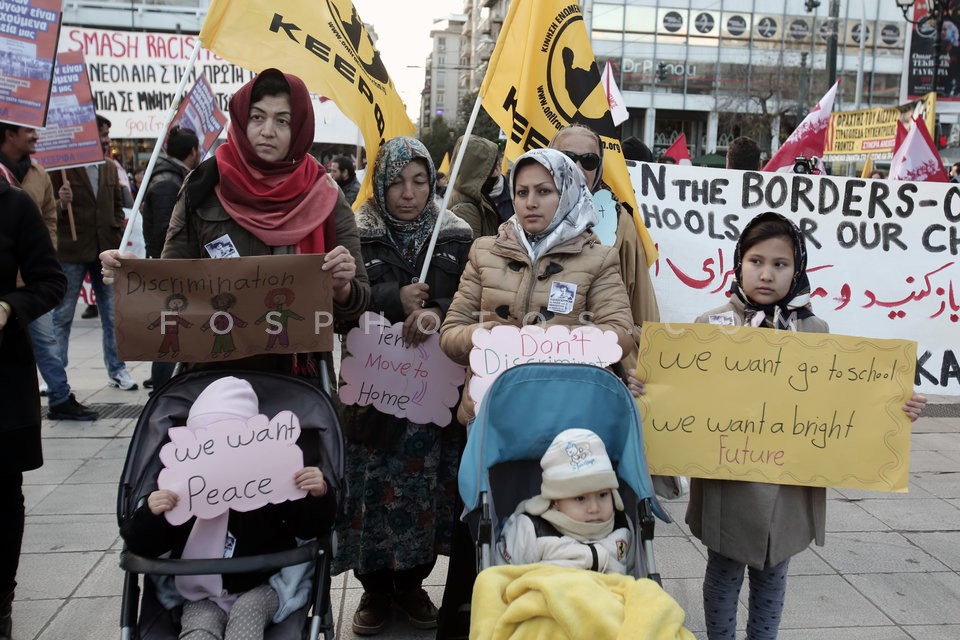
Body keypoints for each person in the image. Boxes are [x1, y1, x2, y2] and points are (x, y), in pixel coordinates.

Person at [630, 211, 927, 640]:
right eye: (756, 261)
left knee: (774, 573)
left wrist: (898, 405)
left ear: (797, 269)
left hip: (789, 484)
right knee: (723, 571)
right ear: (739, 263)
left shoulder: (815, 331)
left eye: (780, 264)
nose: (766, 274)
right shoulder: (708, 329)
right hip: (728, 480)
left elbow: (845, 398)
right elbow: (678, 392)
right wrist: (647, 386)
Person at [100, 68, 370, 380]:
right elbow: (173, 279)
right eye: (257, 117)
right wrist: (138, 274)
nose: (268, 130)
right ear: (242, 119)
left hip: (298, 381)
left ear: (298, 128)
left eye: (282, 120)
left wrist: (342, 287)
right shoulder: (204, 183)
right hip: (213, 375)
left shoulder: (325, 195)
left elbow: (358, 305)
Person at [333, 136, 472, 636]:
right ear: (380, 183)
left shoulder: (456, 235)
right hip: (373, 394)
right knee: (369, 490)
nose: (408, 193)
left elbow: (468, 300)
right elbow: (338, 306)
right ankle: (374, 590)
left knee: (424, 496)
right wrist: (393, 298)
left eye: (419, 181)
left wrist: (436, 312)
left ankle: (413, 585)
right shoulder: (356, 230)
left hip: (430, 397)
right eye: (396, 182)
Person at [119, 376, 336, 640]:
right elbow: (144, 546)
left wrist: (316, 495)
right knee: (199, 629)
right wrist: (152, 515)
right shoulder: (183, 492)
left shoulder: (268, 486)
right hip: (200, 592)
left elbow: (310, 526)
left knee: (247, 611)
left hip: (263, 585)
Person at [440, 147, 635, 428]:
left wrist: (550, 341)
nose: (530, 202)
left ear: (567, 193)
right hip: (491, 413)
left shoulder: (599, 258)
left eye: (543, 191)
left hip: (568, 418)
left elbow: (621, 335)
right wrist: (485, 335)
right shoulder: (484, 252)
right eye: (522, 192)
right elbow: (450, 336)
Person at [0, 175, 67, 640]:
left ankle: (0, 601)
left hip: (2, 378)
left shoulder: (14, 205)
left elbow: (51, 281)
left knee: (2, 498)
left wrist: (9, 307)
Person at [0, 123, 98, 420]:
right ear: (9, 135)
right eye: (28, 131)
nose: (35, 136)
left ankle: (59, 395)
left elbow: (48, 219)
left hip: (27, 288)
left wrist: (42, 254)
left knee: (46, 341)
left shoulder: (37, 176)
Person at [548, 123, 660, 364]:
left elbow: (642, 308)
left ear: (598, 169)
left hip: (596, 369)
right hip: (532, 363)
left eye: (588, 160)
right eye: (567, 157)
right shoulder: (524, 217)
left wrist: (641, 367)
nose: (577, 166)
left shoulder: (619, 221)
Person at [50, 114, 139, 390]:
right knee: (62, 314)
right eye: (102, 135)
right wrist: (60, 203)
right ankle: (56, 375)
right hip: (72, 251)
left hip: (105, 250)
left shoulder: (110, 168)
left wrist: (115, 235)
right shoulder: (61, 169)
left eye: (107, 135)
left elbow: (115, 206)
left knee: (113, 315)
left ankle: (117, 369)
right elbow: (46, 209)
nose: (106, 140)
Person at [497, 428, 634, 575]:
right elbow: (505, 576)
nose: (594, 508)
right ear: (555, 501)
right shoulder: (532, 530)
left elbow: (632, 576)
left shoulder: (622, 528)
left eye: (603, 495)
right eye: (580, 498)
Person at [140, 125, 200, 392]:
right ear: (193, 151)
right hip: (170, 272)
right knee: (170, 336)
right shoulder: (167, 182)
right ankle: (163, 389)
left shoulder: (174, 176)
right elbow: (166, 232)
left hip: (173, 271)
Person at [447, 134, 501, 238]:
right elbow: (474, 252)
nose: (497, 174)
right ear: (475, 171)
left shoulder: (471, 196)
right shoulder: (465, 209)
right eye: (491, 169)